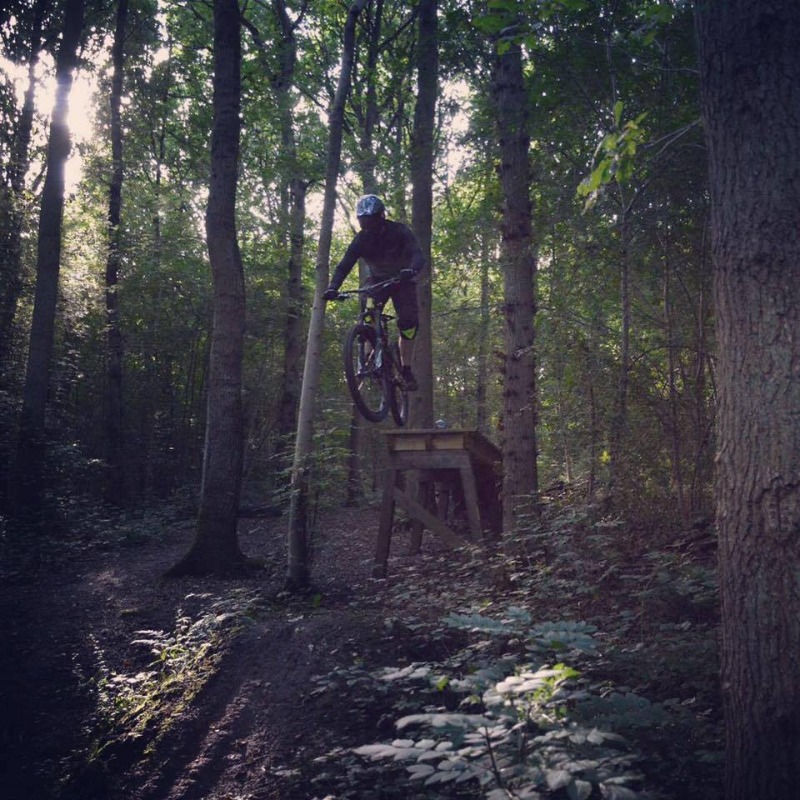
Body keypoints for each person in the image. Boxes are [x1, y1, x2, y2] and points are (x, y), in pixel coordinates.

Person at [323, 194, 426, 391]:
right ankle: (370, 357)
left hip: (402, 279)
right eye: (364, 221)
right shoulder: (361, 240)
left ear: (381, 217)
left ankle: (406, 369)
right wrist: (332, 287)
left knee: (409, 322)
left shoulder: (399, 231)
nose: (368, 225)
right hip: (377, 280)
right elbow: (344, 265)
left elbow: (418, 255)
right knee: (368, 310)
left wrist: (412, 270)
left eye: (371, 220)